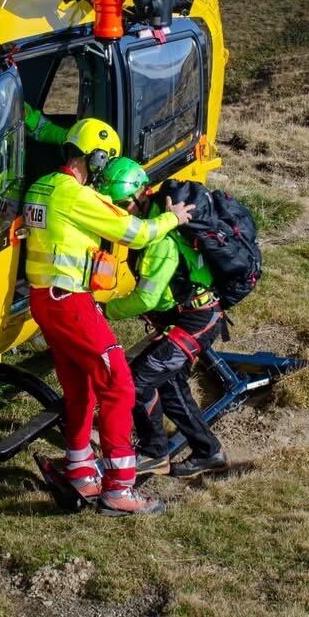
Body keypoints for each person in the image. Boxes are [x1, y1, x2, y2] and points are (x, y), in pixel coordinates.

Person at [23, 118, 194, 516]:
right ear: (96, 157)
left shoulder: (40, 186)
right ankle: (120, 488)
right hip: (71, 303)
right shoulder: (77, 196)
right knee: (118, 385)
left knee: (80, 386)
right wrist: (174, 218)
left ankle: (82, 469)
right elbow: (135, 233)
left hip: (43, 300)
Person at [98, 158, 230, 479]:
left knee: (137, 381)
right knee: (168, 383)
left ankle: (154, 453)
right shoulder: (154, 225)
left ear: (143, 194)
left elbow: (147, 298)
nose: (121, 212)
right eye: (114, 206)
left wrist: (104, 310)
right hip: (192, 316)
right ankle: (208, 451)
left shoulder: (159, 242)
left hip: (196, 320)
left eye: (123, 204)